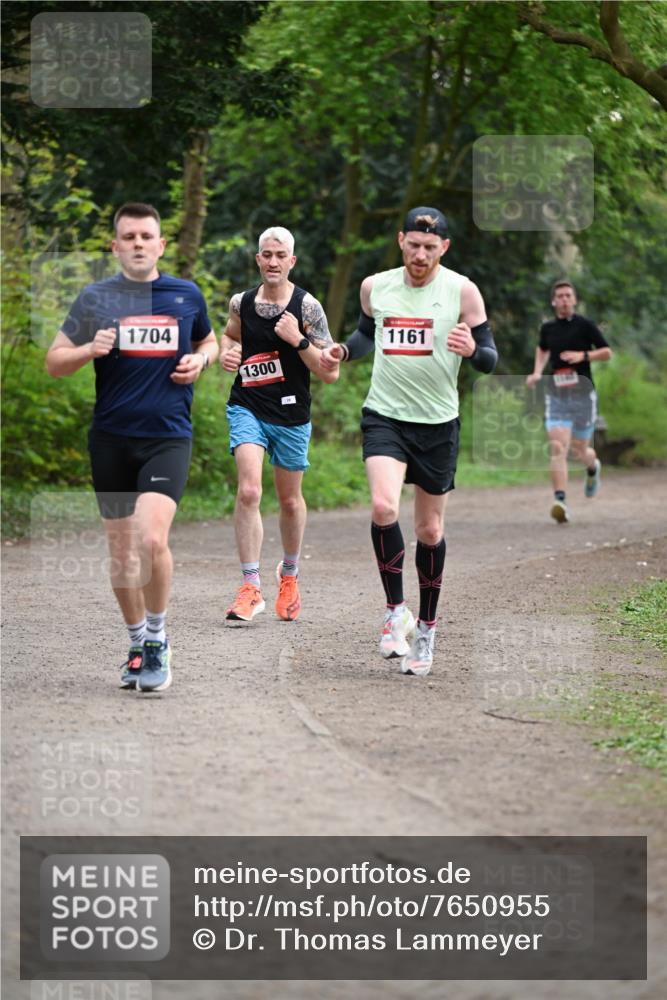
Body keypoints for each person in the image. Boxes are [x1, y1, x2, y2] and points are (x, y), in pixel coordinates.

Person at [46, 202, 218, 692]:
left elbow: (209, 342)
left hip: (167, 437)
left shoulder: (185, 295)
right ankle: (136, 643)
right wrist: (88, 350)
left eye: (147, 236)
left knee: (151, 540)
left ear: (161, 244)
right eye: (130, 237)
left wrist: (201, 362)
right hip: (111, 441)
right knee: (122, 554)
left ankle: (159, 640)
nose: (139, 243)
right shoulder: (96, 299)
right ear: (115, 246)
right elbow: (55, 362)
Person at [320, 206, 497, 678]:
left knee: (429, 532)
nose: (421, 254)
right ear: (401, 240)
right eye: (413, 245)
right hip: (386, 416)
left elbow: (490, 358)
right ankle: (396, 610)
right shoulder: (375, 286)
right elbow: (364, 336)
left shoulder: (462, 291)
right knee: (383, 507)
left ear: (444, 247)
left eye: (430, 247)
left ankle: (428, 628)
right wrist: (342, 350)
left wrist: (472, 349)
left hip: (438, 424)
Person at [220, 226, 339, 624]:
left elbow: (329, 373)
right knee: (250, 490)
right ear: (258, 259)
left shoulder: (308, 307)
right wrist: (228, 353)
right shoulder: (241, 302)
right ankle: (250, 586)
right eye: (266, 254)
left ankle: (288, 575)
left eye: (280, 255)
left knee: (289, 501)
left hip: (290, 414)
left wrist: (298, 341)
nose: (272, 261)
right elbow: (229, 336)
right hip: (247, 406)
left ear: (292, 261)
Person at [526, 280, 612, 524]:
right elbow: (542, 350)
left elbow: (606, 352)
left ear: (574, 300)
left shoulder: (585, 325)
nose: (564, 299)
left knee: (579, 449)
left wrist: (582, 355)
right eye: (560, 296)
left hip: (583, 394)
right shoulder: (548, 328)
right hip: (557, 394)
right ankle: (560, 501)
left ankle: (592, 466)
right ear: (554, 301)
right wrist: (536, 372)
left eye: (568, 295)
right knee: (558, 447)